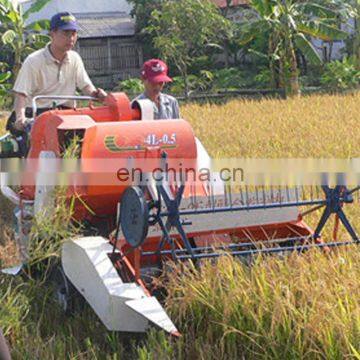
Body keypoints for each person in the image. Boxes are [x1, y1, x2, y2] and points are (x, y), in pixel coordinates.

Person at [7, 11, 107, 137]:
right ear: (52, 33)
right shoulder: (34, 61)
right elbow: (21, 94)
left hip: (67, 115)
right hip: (37, 115)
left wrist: (96, 94)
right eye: (66, 33)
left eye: (74, 33)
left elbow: (86, 86)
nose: (71, 38)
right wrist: (20, 119)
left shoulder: (75, 58)